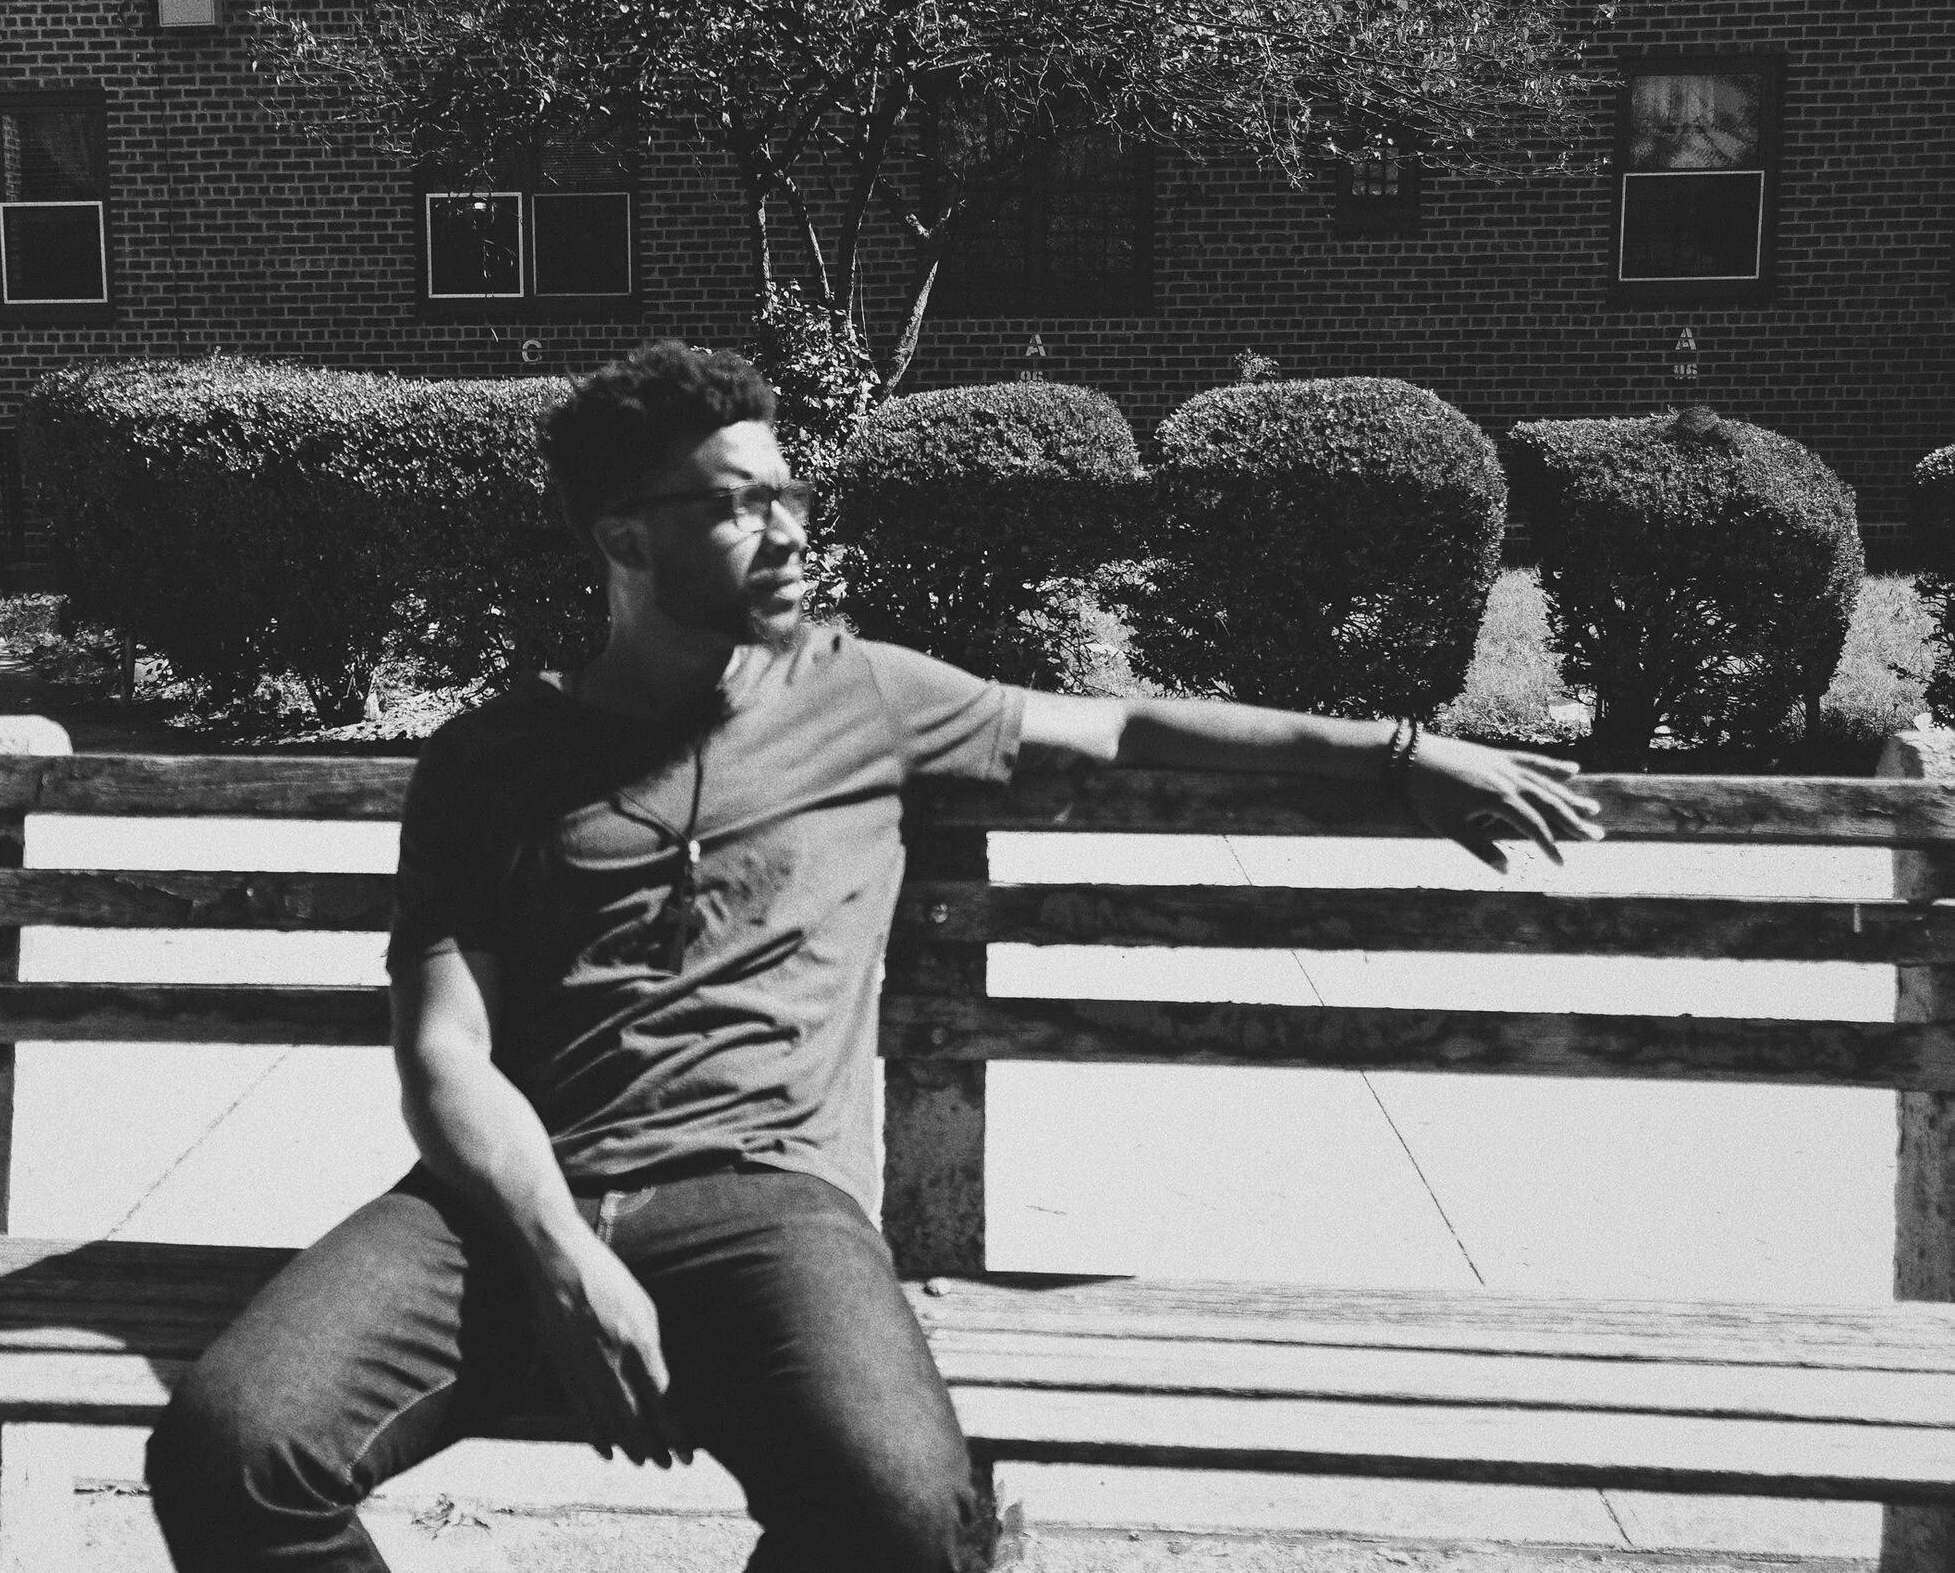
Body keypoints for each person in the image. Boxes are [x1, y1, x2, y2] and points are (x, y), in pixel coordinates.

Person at [145, 342, 1604, 1572]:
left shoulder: (871, 699)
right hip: (509, 1202)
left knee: (909, 1519)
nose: (787, 529)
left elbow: (1125, 725)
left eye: (788, 491)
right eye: (736, 505)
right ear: (623, 540)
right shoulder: (488, 762)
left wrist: (1399, 750)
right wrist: (564, 1260)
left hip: (766, 1202)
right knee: (231, 1450)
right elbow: (444, 1054)